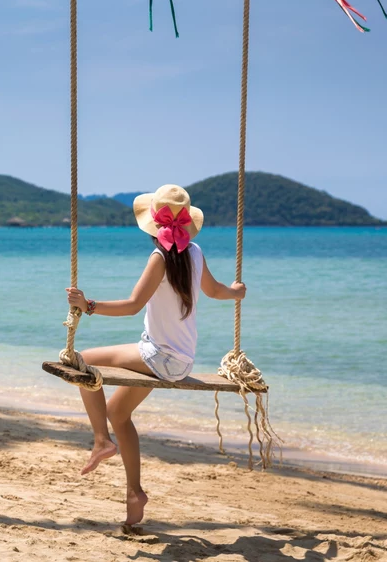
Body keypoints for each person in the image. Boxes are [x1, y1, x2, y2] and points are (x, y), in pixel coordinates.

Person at [65, 184, 246, 525]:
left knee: (83, 359)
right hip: (180, 361)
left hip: (158, 358)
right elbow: (215, 290)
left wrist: (87, 305)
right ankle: (135, 494)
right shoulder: (194, 252)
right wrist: (235, 293)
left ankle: (101, 440)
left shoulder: (160, 258)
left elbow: (133, 306)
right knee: (118, 412)